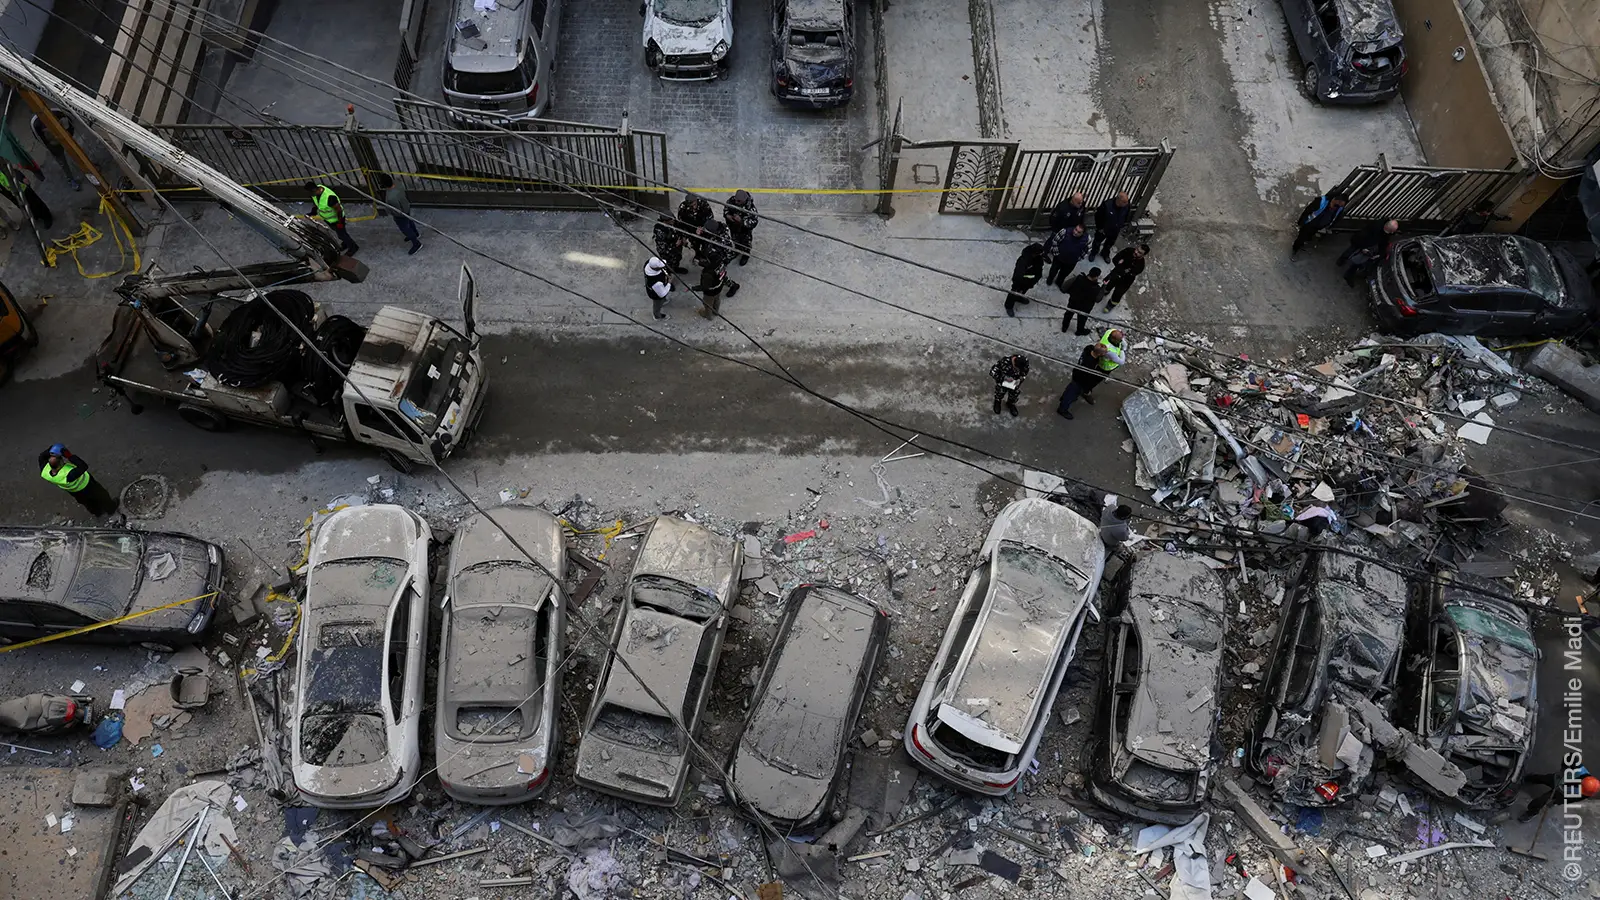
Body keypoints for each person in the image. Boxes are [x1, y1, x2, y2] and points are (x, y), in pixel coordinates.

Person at [1057, 328, 1126, 418]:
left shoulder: (1089, 349)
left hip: (1076, 373)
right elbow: (1087, 376)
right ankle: (1062, 409)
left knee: (1070, 389)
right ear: (1100, 355)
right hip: (1080, 380)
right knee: (1072, 392)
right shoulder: (1091, 364)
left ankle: (1064, 398)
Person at [38, 444, 118, 517]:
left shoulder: (45, 471)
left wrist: (51, 451)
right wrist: (69, 456)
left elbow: (41, 456)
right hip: (87, 485)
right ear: (61, 463)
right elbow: (83, 466)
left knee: (88, 503)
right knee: (102, 495)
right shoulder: (68, 475)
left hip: (75, 492)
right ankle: (111, 508)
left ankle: (98, 513)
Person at [1518, 766, 1598, 822]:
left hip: (1560, 792)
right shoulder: (1580, 770)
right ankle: (1529, 778)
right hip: (1558, 780)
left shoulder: (1585, 793)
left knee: (1541, 801)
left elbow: (1569, 799)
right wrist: (1563, 769)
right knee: (1542, 778)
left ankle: (1531, 812)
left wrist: (1555, 801)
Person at [29, 110, 80, 191]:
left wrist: (70, 134)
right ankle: (70, 179)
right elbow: (40, 139)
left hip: (66, 137)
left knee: (78, 153)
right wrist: (50, 147)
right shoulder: (36, 124)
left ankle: (87, 168)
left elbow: (70, 121)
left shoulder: (58, 113)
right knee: (63, 162)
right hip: (53, 144)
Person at [1337, 219, 1398, 285]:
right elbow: (1362, 237)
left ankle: (1349, 272)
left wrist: (1379, 254)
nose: (1392, 233)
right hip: (1360, 241)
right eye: (1390, 231)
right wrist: (1363, 248)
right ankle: (1342, 260)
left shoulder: (1385, 232)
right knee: (1351, 250)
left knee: (1359, 259)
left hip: (1368, 244)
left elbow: (1383, 243)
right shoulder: (1375, 228)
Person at [304, 181, 358, 255]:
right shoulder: (316, 193)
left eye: (310, 193)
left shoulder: (329, 197)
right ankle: (346, 243)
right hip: (328, 219)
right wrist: (313, 212)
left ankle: (353, 247)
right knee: (340, 234)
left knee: (342, 234)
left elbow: (339, 210)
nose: (309, 195)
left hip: (337, 219)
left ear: (314, 190)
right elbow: (317, 204)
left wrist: (340, 223)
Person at [374, 173, 421, 255]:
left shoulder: (391, 198)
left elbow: (396, 211)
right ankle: (415, 233)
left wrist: (390, 212)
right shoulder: (397, 184)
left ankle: (416, 243)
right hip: (406, 206)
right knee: (409, 221)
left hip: (400, 215)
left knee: (405, 229)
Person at [0, 166, 53, 231]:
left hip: (19, 185)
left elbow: (11, 168)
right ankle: (36, 215)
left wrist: (22, 178)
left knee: (34, 201)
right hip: (9, 191)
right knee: (23, 204)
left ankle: (46, 216)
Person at [1103, 243, 1149, 310]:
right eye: (1137, 249)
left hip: (1126, 280)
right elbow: (1115, 259)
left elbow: (1129, 273)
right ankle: (1105, 291)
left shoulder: (1140, 265)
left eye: (1139, 252)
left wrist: (1121, 265)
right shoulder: (1128, 250)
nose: (1136, 252)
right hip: (1116, 273)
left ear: (1143, 255)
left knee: (1118, 293)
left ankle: (1111, 304)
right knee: (1108, 284)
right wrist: (1122, 268)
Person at [1061, 267, 1104, 336]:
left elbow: (1064, 287)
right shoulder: (1096, 288)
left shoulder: (1078, 278)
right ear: (1096, 277)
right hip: (1085, 308)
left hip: (1073, 302)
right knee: (1082, 320)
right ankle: (1079, 331)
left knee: (1068, 314)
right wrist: (1103, 287)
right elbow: (1098, 299)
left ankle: (1064, 327)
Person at [1045, 224, 1089, 289]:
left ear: (1083, 233)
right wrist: (1056, 253)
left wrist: (1079, 258)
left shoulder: (1087, 239)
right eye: (1075, 229)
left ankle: (1059, 282)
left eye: (1079, 232)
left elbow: (1087, 250)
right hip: (1059, 258)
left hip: (1071, 262)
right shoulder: (1064, 232)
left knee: (1064, 274)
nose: (1075, 232)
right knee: (1053, 270)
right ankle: (1050, 279)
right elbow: (1055, 241)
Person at [1006, 243, 1045, 317]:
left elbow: (1039, 270)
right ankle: (1009, 306)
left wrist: (1033, 282)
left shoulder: (1039, 259)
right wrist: (1016, 284)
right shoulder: (1023, 259)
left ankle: (1019, 298)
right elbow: (1018, 274)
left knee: (1023, 291)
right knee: (1014, 293)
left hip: (1029, 282)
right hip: (1019, 282)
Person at [1091, 191, 1132, 262]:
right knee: (1097, 242)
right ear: (1119, 200)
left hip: (1115, 230)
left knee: (1110, 243)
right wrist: (1100, 228)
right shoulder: (1107, 205)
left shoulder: (1126, 206)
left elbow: (1126, 215)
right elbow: (1098, 216)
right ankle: (1093, 253)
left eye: (1127, 202)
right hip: (1103, 230)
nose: (1127, 204)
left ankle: (1105, 253)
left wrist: (1122, 224)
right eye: (1124, 202)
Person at [724, 189, 758, 266]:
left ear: (744, 200)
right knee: (735, 240)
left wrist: (742, 221)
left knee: (746, 244)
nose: (736, 202)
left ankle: (746, 254)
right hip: (733, 227)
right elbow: (726, 209)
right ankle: (737, 250)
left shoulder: (751, 209)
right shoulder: (731, 201)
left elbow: (754, 222)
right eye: (736, 200)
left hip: (744, 231)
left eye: (739, 201)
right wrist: (727, 215)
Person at [1442, 199, 1510, 237]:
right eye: (1489, 210)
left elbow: (1496, 217)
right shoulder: (1469, 213)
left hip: (1471, 233)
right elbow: (1458, 223)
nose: (1490, 211)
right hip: (1460, 232)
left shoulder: (1486, 216)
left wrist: (1505, 218)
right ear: (1483, 209)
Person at [678, 193, 713, 264]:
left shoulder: (704, 204)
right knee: (695, 244)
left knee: (706, 244)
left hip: (704, 230)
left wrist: (703, 228)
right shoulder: (683, 208)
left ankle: (705, 256)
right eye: (690, 205)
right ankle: (698, 254)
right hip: (691, 231)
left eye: (694, 204)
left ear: (696, 201)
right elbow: (681, 223)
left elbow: (710, 217)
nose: (693, 207)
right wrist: (684, 236)